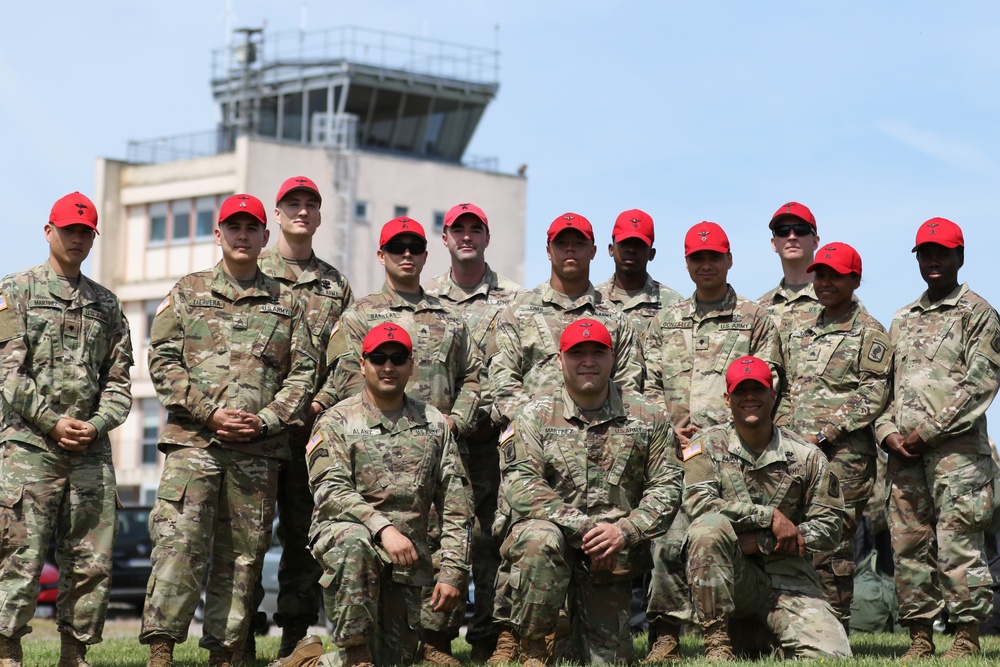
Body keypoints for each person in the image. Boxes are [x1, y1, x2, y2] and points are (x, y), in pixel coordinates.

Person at [140, 194, 318, 667]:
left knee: (242, 560)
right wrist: (208, 413)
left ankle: (225, 654)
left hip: (258, 452)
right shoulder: (187, 291)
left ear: (265, 237)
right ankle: (161, 653)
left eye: (251, 228)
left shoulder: (288, 303)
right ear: (218, 234)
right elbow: (162, 360)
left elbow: (303, 372)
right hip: (195, 446)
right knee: (179, 546)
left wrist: (267, 420)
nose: (242, 236)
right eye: (232, 228)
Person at [487, 212, 643, 663]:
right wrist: (545, 425)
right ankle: (512, 636)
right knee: (529, 538)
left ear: (596, 251)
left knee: (597, 555)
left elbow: (632, 388)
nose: (570, 251)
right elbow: (501, 382)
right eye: (562, 243)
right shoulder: (517, 313)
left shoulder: (616, 320)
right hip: (535, 453)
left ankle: (575, 630)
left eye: (579, 243)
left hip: (603, 452)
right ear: (549, 249)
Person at [324, 215, 480, 664]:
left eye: (414, 247)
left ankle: (434, 643)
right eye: (397, 248)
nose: (406, 255)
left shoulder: (449, 318)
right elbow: (342, 381)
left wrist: (456, 420)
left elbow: (475, 376)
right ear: (382, 255)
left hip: (435, 445)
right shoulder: (358, 316)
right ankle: (351, 650)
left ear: (426, 255)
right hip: (370, 454)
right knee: (373, 546)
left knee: (437, 539)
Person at [280, 322, 472, 667]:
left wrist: (453, 571)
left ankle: (305, 662)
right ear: (363, 363)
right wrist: (382, 528)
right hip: (347, 543)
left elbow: (456, 502)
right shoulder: (335, 421)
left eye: (398, 358)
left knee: (392, 661)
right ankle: (355, 657)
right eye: (379, 358)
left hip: (406, 561)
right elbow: (330, 488)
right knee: (354, 539)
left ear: (411, 366)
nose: (388, 366)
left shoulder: (434, 423)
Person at [495, 318, 683, 666]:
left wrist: (623, 532)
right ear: (559, 360)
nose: (588, 361)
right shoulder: (533, 416)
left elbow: (667, 486)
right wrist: (585, 530)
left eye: (598, 352)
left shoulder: (648, 415)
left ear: (612, 358)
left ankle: (565, 634)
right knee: (540, 537)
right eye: (577, 352)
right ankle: (534, 648)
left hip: (611, 556)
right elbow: (522, 485)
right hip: (555, 548)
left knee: (608, 661)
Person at [0, 192, 133, 667]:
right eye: (68, 230)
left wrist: (96, 425)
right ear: (48, 231)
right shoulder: (14, 291)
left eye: (85, 232)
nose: (76, 239)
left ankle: (75, 653)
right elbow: (8, 374)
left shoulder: (107, 305)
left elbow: (119, 383)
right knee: (20, 555)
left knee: (90, 560)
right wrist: (53, 422)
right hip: (28, 447)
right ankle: (7, 651)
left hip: (89, 450)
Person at [640, 221, 783, 661]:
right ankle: (666, 634)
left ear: (729, 260)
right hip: (672, 452)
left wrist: (721, 431)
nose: (706, 265)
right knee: (666, 541)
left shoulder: (754, 318)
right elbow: (644, 387)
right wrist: (668, 424)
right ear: (686, 263)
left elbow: (769, 383)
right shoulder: (666, 321)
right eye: (697, 258)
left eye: (714, 257)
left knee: (724, 538)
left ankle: (733, 629)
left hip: (733, 456)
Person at [875, 217, 1000, 658]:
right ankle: (920, 638)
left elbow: (980, 384)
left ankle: (966, 637)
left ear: (959, 257)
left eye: (942, 253)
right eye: (925, 254)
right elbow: (884, 388)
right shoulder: (902, 318)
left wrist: (927, 433)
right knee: (909, 547)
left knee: (957, 544)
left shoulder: (979, 314)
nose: (933, 261)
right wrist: (887, 432)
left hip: (957, 456)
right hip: (903, 456)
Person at [683, 356, 850, 660]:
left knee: (832, 657)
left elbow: (830, 529)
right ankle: (718, 644)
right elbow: (699, 504)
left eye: (758, 389)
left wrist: (764, 541)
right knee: (706, 529)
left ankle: (762, 636)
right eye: (740, 390)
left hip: (788, 578)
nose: (749, 397)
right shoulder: (704, 446)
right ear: (727, 398)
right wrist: (769, 516)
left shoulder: (805, 455)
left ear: (772, 396)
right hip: (732, 579)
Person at [251, 176, 354, 659]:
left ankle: (296, 636)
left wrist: (317, 405)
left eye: (311, 204)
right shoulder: (254, 271)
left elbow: (348, 360)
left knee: (303, 536)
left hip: (311, 433)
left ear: (318, 215)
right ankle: (237, 635)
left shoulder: (335, 285)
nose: (302, 211)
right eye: (293, 203)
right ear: (277, 213)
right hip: (255, 434)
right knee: (246, 537)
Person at [425, 202, 522, 661]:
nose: (466, 236)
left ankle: (488, 636)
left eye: (475, 229)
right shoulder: (424, 299)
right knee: (441, 536)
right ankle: (435, 637)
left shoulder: (516, 301)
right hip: (439, 442)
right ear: (444, 239)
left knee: (493, 539)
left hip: (495, 444)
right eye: (456, 229)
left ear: (487, 237)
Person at [779, 242, 891, 630]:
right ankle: (799, 628)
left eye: (835, 276)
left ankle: (836, 629)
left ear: (854, 279)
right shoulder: (800, 330)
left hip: (845, 458)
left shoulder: (869, 332)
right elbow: (785, 387)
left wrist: (825, 433)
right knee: (796, 539)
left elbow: (874, 392)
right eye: (820, 275)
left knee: (835, 546)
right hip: (797, 453)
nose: (825, 283)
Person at [595, 208, 681, 335]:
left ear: (652, 254)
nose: (631, 249)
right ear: (611, 249)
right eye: (625, 243)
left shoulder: (674, 305)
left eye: (639, 244)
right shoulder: (592, 300)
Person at [757, 202, 824, 341]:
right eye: (783, 231)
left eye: (801, 229)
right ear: (774, 244)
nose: (792, 236)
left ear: (815, 242)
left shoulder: (837, 300)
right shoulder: (760, 309)